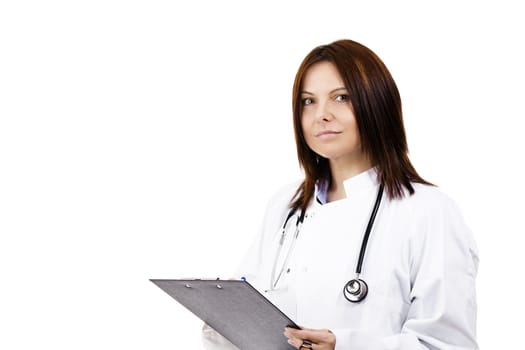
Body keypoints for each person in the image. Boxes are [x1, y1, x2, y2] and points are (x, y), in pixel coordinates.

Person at [202, 39, 479, 350]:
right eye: (308, 101)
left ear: (377, 103)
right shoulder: (286, 205)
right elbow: (245, 311)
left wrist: (345, 347)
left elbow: (445, 345)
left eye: (341, 97)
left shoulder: (428, 211)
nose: (321, 114)